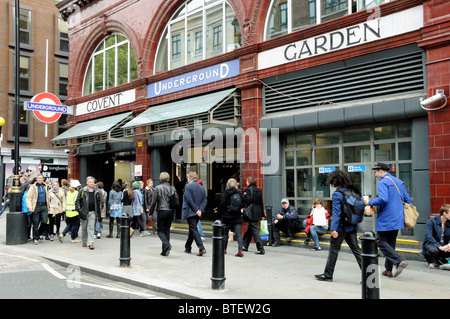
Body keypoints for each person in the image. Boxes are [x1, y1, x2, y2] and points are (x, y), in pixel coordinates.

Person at [364, 162, 411, 277]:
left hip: (386, 218)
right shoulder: (398, 182)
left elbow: (383, 199)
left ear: (381, 171)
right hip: (397, 218)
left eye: (375, 172)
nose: (375, 175)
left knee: (380, 241)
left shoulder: (383, 182)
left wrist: (369, 202)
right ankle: (388, 270)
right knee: (390, 243)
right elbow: (408, 199)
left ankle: (399, 261)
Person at [315, 169, 362, 282]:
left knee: (333, 251)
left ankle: (328, 275)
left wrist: (333, 229)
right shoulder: (351, 192)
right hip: (351, 227)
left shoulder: (337, 194)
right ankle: (368, 275)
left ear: (334, 181)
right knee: (356, 250)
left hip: (340, 228)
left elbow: (336, 213)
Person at [149, 172, 180, 256]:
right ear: (168, 179)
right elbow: (176, 199)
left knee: (160, 231)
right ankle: (165, 251)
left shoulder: (157, 188)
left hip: (161, 211)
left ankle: (167, 245)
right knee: (167, 230)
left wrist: (150, 212)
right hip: (170, 211)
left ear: (160, 179)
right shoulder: (172, 188)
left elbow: (153, 202)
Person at [215, 178, 244, 257]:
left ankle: (224, 249)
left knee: (225, 234)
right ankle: (240, 251)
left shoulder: (226, 193)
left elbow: (222, 204)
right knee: (238, 234)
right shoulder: (239, 193)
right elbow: (242, 204)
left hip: (227, 216)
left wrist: (218, 209)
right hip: (237, 216)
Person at [182, 171, 207, 256]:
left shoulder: (188, 186)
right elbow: (205, 200)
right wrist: (200, 210)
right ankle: (188, 247)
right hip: (198, 212)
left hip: (191, 211)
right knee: (192, 229)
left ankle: (201, 248)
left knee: (193, 229)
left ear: (189, 178)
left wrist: (196, 210)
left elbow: (189, 200)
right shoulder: (201, 187)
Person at [76, 176, 101, 250]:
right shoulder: (82, 191)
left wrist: (98, 213)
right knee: (84, 228)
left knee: (91, 228)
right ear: (87, 183)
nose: (91, 183)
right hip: (84, 212)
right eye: (90, 182)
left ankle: (91, 243)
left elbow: (98, 202)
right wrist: (79, 210)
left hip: (92, 212)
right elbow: (77, 201)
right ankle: (84, 240)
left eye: (93, 182)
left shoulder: (96, 191)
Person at [422, 204, 450, 269]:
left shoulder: (449, 222)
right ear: (444, 213)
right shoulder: (432, 221)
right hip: (433, 244)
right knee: (433, 250)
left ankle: (442, 259)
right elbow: (428, 236)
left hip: (445, 244)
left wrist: (449, 244)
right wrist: (439, 246)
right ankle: (430, 261)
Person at [242, 176, 265, 255]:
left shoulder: (249, 189)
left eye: (247, 181)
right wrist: (262, 214)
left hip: (251, 212)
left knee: (254, 230)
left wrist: (244, 195)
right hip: (258, 211)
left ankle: (261, 248)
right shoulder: (259, 190)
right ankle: (245, 246)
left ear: (249, 181)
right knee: (250, 229)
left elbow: (248, 200)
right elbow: (261, 202)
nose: (246, 183)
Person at [26, 173, 49, 245]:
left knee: (45, 221)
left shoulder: (45, 186)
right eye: (38, 178)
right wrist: (30, 207)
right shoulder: (33, 187)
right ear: (36, 179)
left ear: (43, 179)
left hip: (44, 206)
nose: (40, 179)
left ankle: (38, 233)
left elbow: (48, 197)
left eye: (41, 178)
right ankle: (35, 238)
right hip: (36, 206)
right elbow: (28, 197)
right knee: (35, 223)